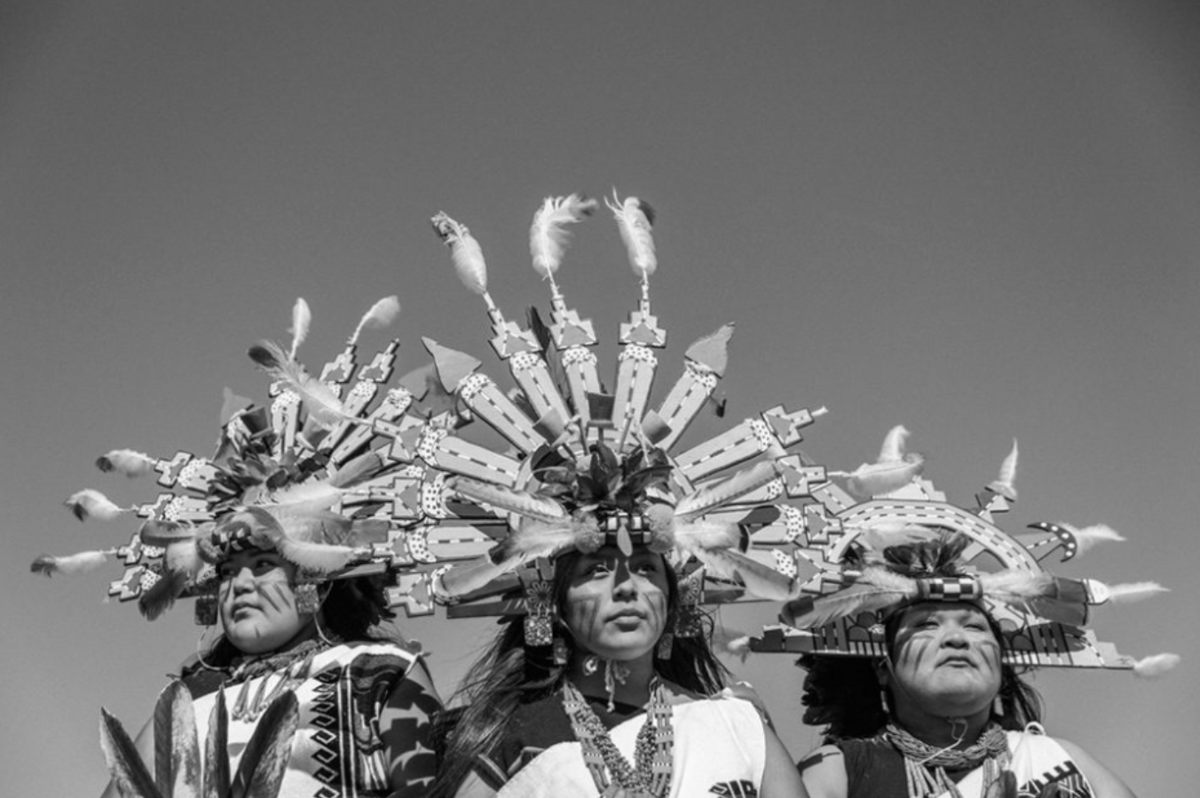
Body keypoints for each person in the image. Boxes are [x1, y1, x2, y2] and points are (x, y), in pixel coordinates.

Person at [34, 298, 444, 798]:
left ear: (313, 575)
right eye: (228, 570)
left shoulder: (379, 673)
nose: (241, 585)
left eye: (264, 564)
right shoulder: (184, 701)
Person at [748, 430, 1178, 798]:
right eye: (925, 626)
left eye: (975, 627)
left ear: (1002, 661)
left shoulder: (1064, 761)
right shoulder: (838, 771)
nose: (957, 639)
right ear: (883, 668)